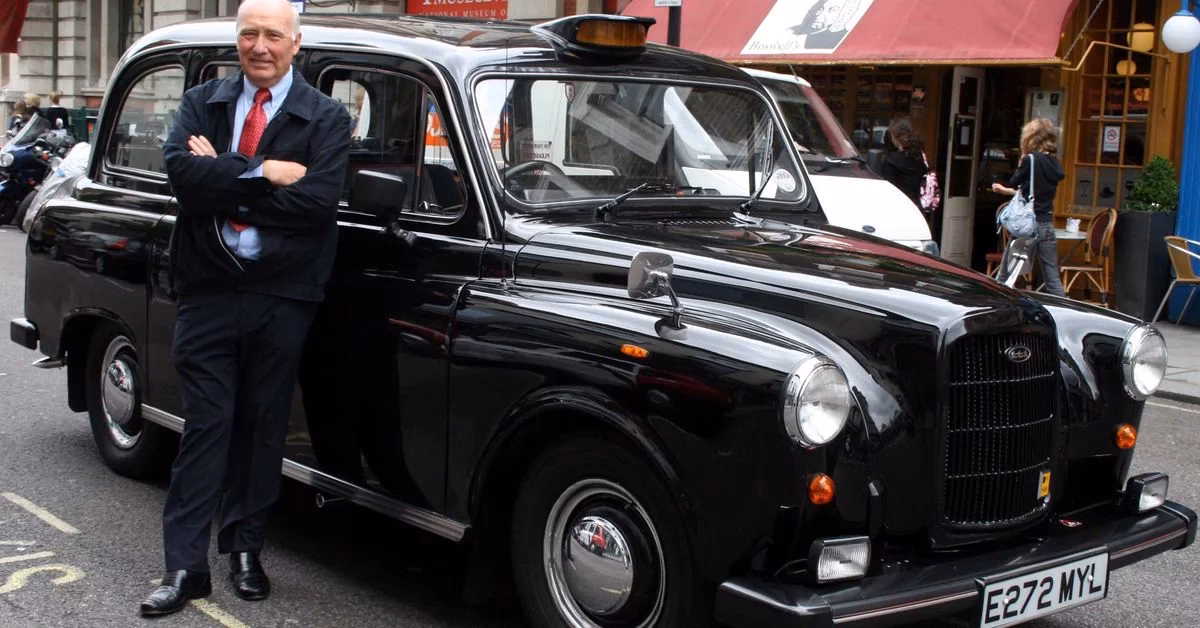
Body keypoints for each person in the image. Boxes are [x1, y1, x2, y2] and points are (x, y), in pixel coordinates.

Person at [141, 0, 351, 616]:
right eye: (249, 34)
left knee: (262, 426)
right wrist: (267, 171)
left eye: (273, 36)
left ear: (297, 42)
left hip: (282, 293)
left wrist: (226, 183)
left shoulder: (327, 116)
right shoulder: (205, 100)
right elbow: (182, 175)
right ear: (238, 39)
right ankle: (184, 567)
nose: (260, 46)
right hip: (208, 289)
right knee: (206, 427)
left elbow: (317, 204)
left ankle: (244, 550)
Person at [991, 118, 1065, 296]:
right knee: (1052, 279)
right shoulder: (1054, 162)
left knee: (1005, 275)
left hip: (1026, 226)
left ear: (1030, 137)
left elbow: (1014, 182)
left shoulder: (1030, 160)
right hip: (1046, 223)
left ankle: (996, 306)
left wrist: (1021, 161)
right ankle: (1065, 311)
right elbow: (1036, 192)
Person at [881, 117, 931, 228]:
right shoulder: (921, 158)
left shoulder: (892, 161)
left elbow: (888, 192)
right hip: (918, 210)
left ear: (894, 137)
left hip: (898, 211)